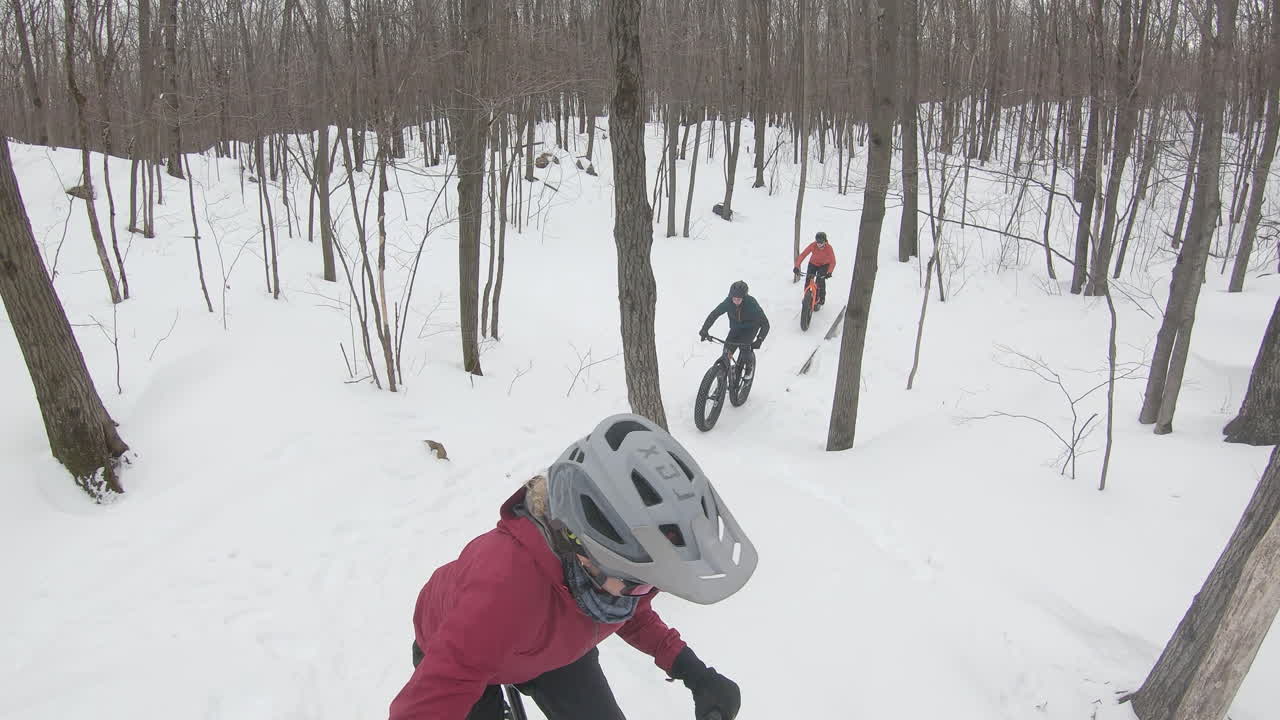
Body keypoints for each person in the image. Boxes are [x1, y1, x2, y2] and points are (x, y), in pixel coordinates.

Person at [388, 414, 758, 720]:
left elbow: (632, 614)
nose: (640, 596)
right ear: (583, 552)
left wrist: (693, 672)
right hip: (462, 651)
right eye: (639, 585)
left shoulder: (610, 584)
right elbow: (427, 701)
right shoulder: (503, 589)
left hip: (550, 650)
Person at [698, 281, 770, 379]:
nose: (735, 301)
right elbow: (715, 314)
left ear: (744, 298)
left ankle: (749, 368)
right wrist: (704, 329)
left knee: (744, 348)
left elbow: (765, 324)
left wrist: (760, 339)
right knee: (727, 351)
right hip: (736, 328)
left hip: (751, 328)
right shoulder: (728, 302)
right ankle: (722, 380)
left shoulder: (752, 304)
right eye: (734, 298)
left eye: (739, 299)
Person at [793, 231, 837, 309]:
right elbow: (803, 255)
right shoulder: (813, 245)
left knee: (820, 281)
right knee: (808, 280)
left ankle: (820, 300)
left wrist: (829, 272)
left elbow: (833, 261)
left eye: (821, 242)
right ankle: (807, 298)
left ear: (825, 241)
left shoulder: (829, 248)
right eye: (818, 242)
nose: (819, 244)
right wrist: (797, 266)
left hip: (824, 265)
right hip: (813, 263)